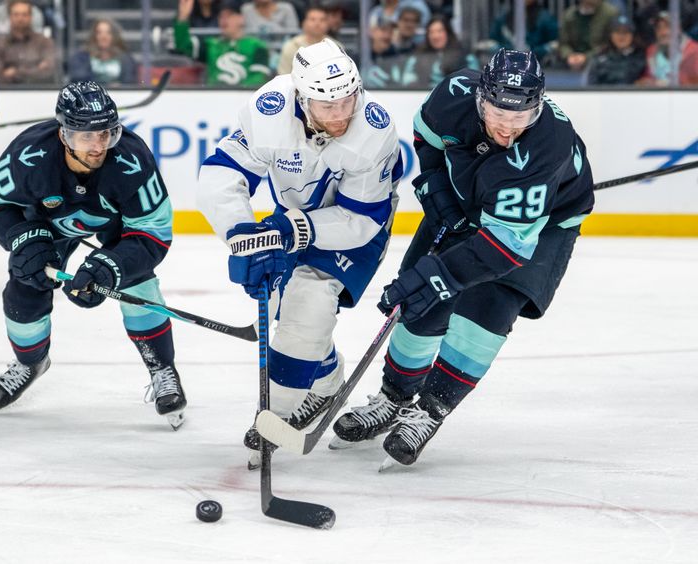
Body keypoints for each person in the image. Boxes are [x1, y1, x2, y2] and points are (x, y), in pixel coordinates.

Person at [332, 49, 595, 467]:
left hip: (540, 226)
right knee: (418, 301)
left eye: (520, 118)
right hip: (468, 201)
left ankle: (431, 409)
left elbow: (504, 247)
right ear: (479, 99)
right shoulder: (453, 94)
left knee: (487, 306)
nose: (507, 128)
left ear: (538, 106)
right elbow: (427, 139)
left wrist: (440, 274)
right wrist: (436, 187)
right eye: (498, 115)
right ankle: (393, 398)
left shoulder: (546, 145)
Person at [196, 38, 402, 465]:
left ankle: (274, 418)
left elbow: (359, 219)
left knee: (308, 303)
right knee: (288, 309)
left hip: (353, 229)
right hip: (290, 216)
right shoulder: (268, 110)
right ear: (302, 99)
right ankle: (325, 381)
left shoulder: (374, 129)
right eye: (329, 107)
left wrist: (294, 229)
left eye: (348, 100)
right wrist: (243, 237)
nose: (342, 114)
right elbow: (222, 174)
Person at [0, 82, 186, 429]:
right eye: (87, 136)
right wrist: (23, 238)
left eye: (105, 133)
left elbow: (153, 232)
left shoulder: (131, 161)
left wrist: (110, 267)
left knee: (136, 282)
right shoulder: (29, 155)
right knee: (25, 284)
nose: (98, 145)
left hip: (116, 224)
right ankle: (31, 362)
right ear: (64, 135)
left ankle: (162, 367)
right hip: (46, 223)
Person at [174, 0, 271, 87]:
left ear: (241, 18)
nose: (224, 20)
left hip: (243, 99)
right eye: (221, 16)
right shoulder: (212, 45)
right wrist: (183, 18)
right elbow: (183, 46)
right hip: (214, 99)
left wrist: (236, 94)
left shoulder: (258, 47)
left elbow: (258, 79)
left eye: (229, 15)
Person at [0, 0, 58, 85]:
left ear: (31, 17)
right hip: (7, 94)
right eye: (16, 14)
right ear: (10, 17)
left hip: (39, 92)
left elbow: (49, 72)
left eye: (24, 14)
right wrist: (35, 69)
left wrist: (15, 72)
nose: (20, 19)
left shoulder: (44, 43)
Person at [68, 18, 137, 85]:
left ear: (115, 36)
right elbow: (78, 80)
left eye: (108, 32)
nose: (104, 37)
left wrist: (119, 87)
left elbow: (130, 81)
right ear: (94, 35)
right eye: (99, 33)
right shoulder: (81, 58)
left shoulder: (126, 59)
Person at [638, 11, 698, 86]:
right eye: (658, 28)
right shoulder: (651, 51)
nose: (663, 32)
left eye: (668, 27)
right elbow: (647, 77)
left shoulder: (695, 51)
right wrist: (646, 81)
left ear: (678, 29)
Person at [558, 0, 619, 72]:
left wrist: (586, 57)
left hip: (602, 62)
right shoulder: (569, 15)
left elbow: (610, 43)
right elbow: (563, 43)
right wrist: (569, 55)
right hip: (571, 63)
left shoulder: (611, 13)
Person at [587, 15, 646, 85]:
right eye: (617, 32)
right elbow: (591, 84)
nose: (621, 36)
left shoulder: (642, 56)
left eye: (626, 32)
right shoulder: (600, 57)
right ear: (610, 35)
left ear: (633, 35)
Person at [276, 5, 330, 74]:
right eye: (312, 19)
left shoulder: (336, 46)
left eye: (322, 20)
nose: (317, 23)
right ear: (303, 23)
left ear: (328, 24)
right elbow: (283, 75)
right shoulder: (291, 46)